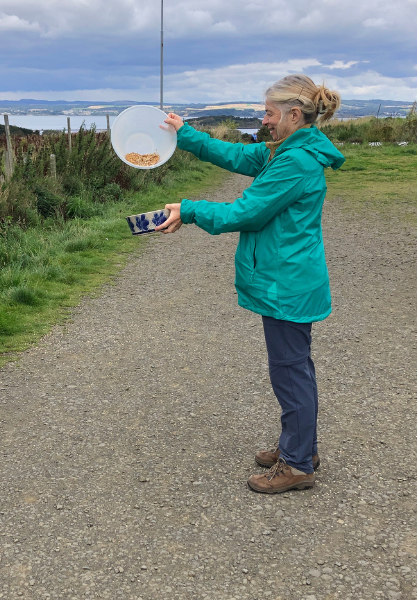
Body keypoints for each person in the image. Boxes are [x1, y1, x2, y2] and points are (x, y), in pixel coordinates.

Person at [156, 74, 344, 493]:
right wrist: (185, 135)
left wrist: (187, 210)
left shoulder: (295, 161)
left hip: (287, 285)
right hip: (288, 279)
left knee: (290, 373)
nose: (265, 120)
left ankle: (297, 464)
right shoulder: (290, 150)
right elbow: (238, 157)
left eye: (270, 113)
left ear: (295, 115)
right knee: (294, 370)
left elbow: (246, 213)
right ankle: (300, 447)